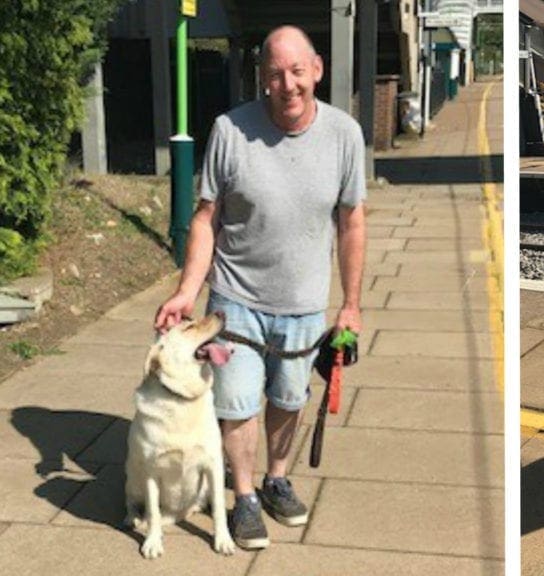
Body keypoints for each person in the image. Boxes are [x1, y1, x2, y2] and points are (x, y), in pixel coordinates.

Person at [153, 25, 367, 549]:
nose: (287, 84)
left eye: (297, 71)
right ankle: (245, 495)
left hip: (303, 303)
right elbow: (206, 218)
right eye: (275, 73)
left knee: (289, 398)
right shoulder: (230, 130)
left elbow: (352, 222)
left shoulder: (344, 135)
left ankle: (276, 478)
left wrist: (351, 305)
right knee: (237, 401)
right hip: (235, 300)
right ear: (262, 78)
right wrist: (187, 291)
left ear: (316, 70)